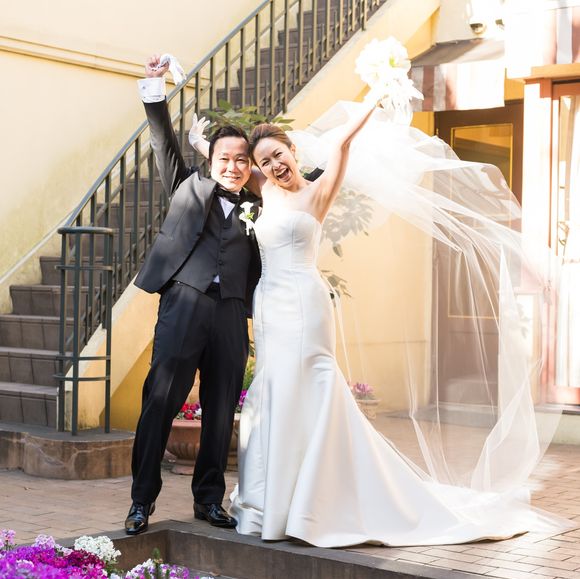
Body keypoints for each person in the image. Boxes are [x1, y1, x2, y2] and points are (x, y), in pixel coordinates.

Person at [189, 95, 574, 546]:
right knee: (274, 388)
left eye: (278, 155)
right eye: (265, 162)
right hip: (270, 304)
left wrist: (376, 94)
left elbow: (342, 145)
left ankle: (316, 500)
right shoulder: (265, 189)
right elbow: (230, 165)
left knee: (311, 384)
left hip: (306, 303)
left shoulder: (319, 192)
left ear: (293, 151)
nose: (274, 166)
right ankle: (275, 497)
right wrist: (201, 145)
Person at [124, 55, 261, 535]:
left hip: (232, 313)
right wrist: (155, 87)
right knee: (160, 401)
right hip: (183, 304)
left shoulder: (260, 204)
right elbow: (162, 138)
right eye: (224, 158)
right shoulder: (187, 184)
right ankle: (141, 501)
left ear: (250, 165)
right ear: (209, 159)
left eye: (241, 159)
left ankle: (209, 500)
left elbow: (297, 180)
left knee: (221, 410)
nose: (232, 166)